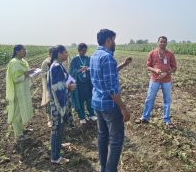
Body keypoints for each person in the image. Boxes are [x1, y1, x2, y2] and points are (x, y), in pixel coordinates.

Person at [90, 29, 132, 172]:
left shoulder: (94, 55)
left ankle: (103, 168)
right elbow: (112, 88)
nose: (115, 43)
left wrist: (123, 64)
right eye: (114, 40)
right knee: (116, 140)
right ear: (108, 40)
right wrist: (123, 107)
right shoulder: (107, 57)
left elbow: (105, 75)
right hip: (109, 105)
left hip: (97, 102)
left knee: (102, 136)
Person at [135, 36, 177, 128]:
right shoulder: (152, 53)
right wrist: (155, 70)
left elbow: (174, 68)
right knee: (149, 98)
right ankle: (145, 117)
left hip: (166, 80)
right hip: (154, 79)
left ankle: (167, 120)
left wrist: (166, 73)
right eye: (161, 41)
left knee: (167, 100)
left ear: (166, 43)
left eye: (164, 42)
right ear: (158, 42)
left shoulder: (170, 54)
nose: (163, 43)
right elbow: (148, 66)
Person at [47, 45, 76, 164]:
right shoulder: (56, 67)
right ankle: (55, 157)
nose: (67, 54)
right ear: (59, 53)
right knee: (56, 129)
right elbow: (57, 87)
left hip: (59, 104)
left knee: (60, 128)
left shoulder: (57, 65)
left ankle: (57, 147)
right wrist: (69, 87)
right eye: (65, 52)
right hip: (57, 105)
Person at [6, 45, 36, 140]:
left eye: (25, 50)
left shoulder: (23, 62)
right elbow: (16, 78)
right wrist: (27, 73)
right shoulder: (14, 63)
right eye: (23, 50)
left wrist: (31, 73)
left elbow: (26, 74)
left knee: (22, 110)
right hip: (18, 92)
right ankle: (19, 134)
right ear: (17, 51)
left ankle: (22, 129)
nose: (25, 52)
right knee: (17, 113)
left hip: (23, 90)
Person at [70, 43, 97, 124]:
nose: (84, 52)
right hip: (79, 84)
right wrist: (80, 70)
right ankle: (82, 117)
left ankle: (91, 114)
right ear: (79, 50)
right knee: (80, 100)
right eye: (82, 51)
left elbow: (93, 68)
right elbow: (71, 72)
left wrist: (88, 69)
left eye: (85, 50)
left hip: (88, 83)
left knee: (89, 99)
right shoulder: (75, 60)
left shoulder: (88, 58)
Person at [41, 47, 53, 128]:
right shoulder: (46, 62)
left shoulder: (58, 61)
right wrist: (51, 73)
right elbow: (43, 74)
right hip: (48, 86)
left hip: (56, 86)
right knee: (49, 103)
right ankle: (49, 120)